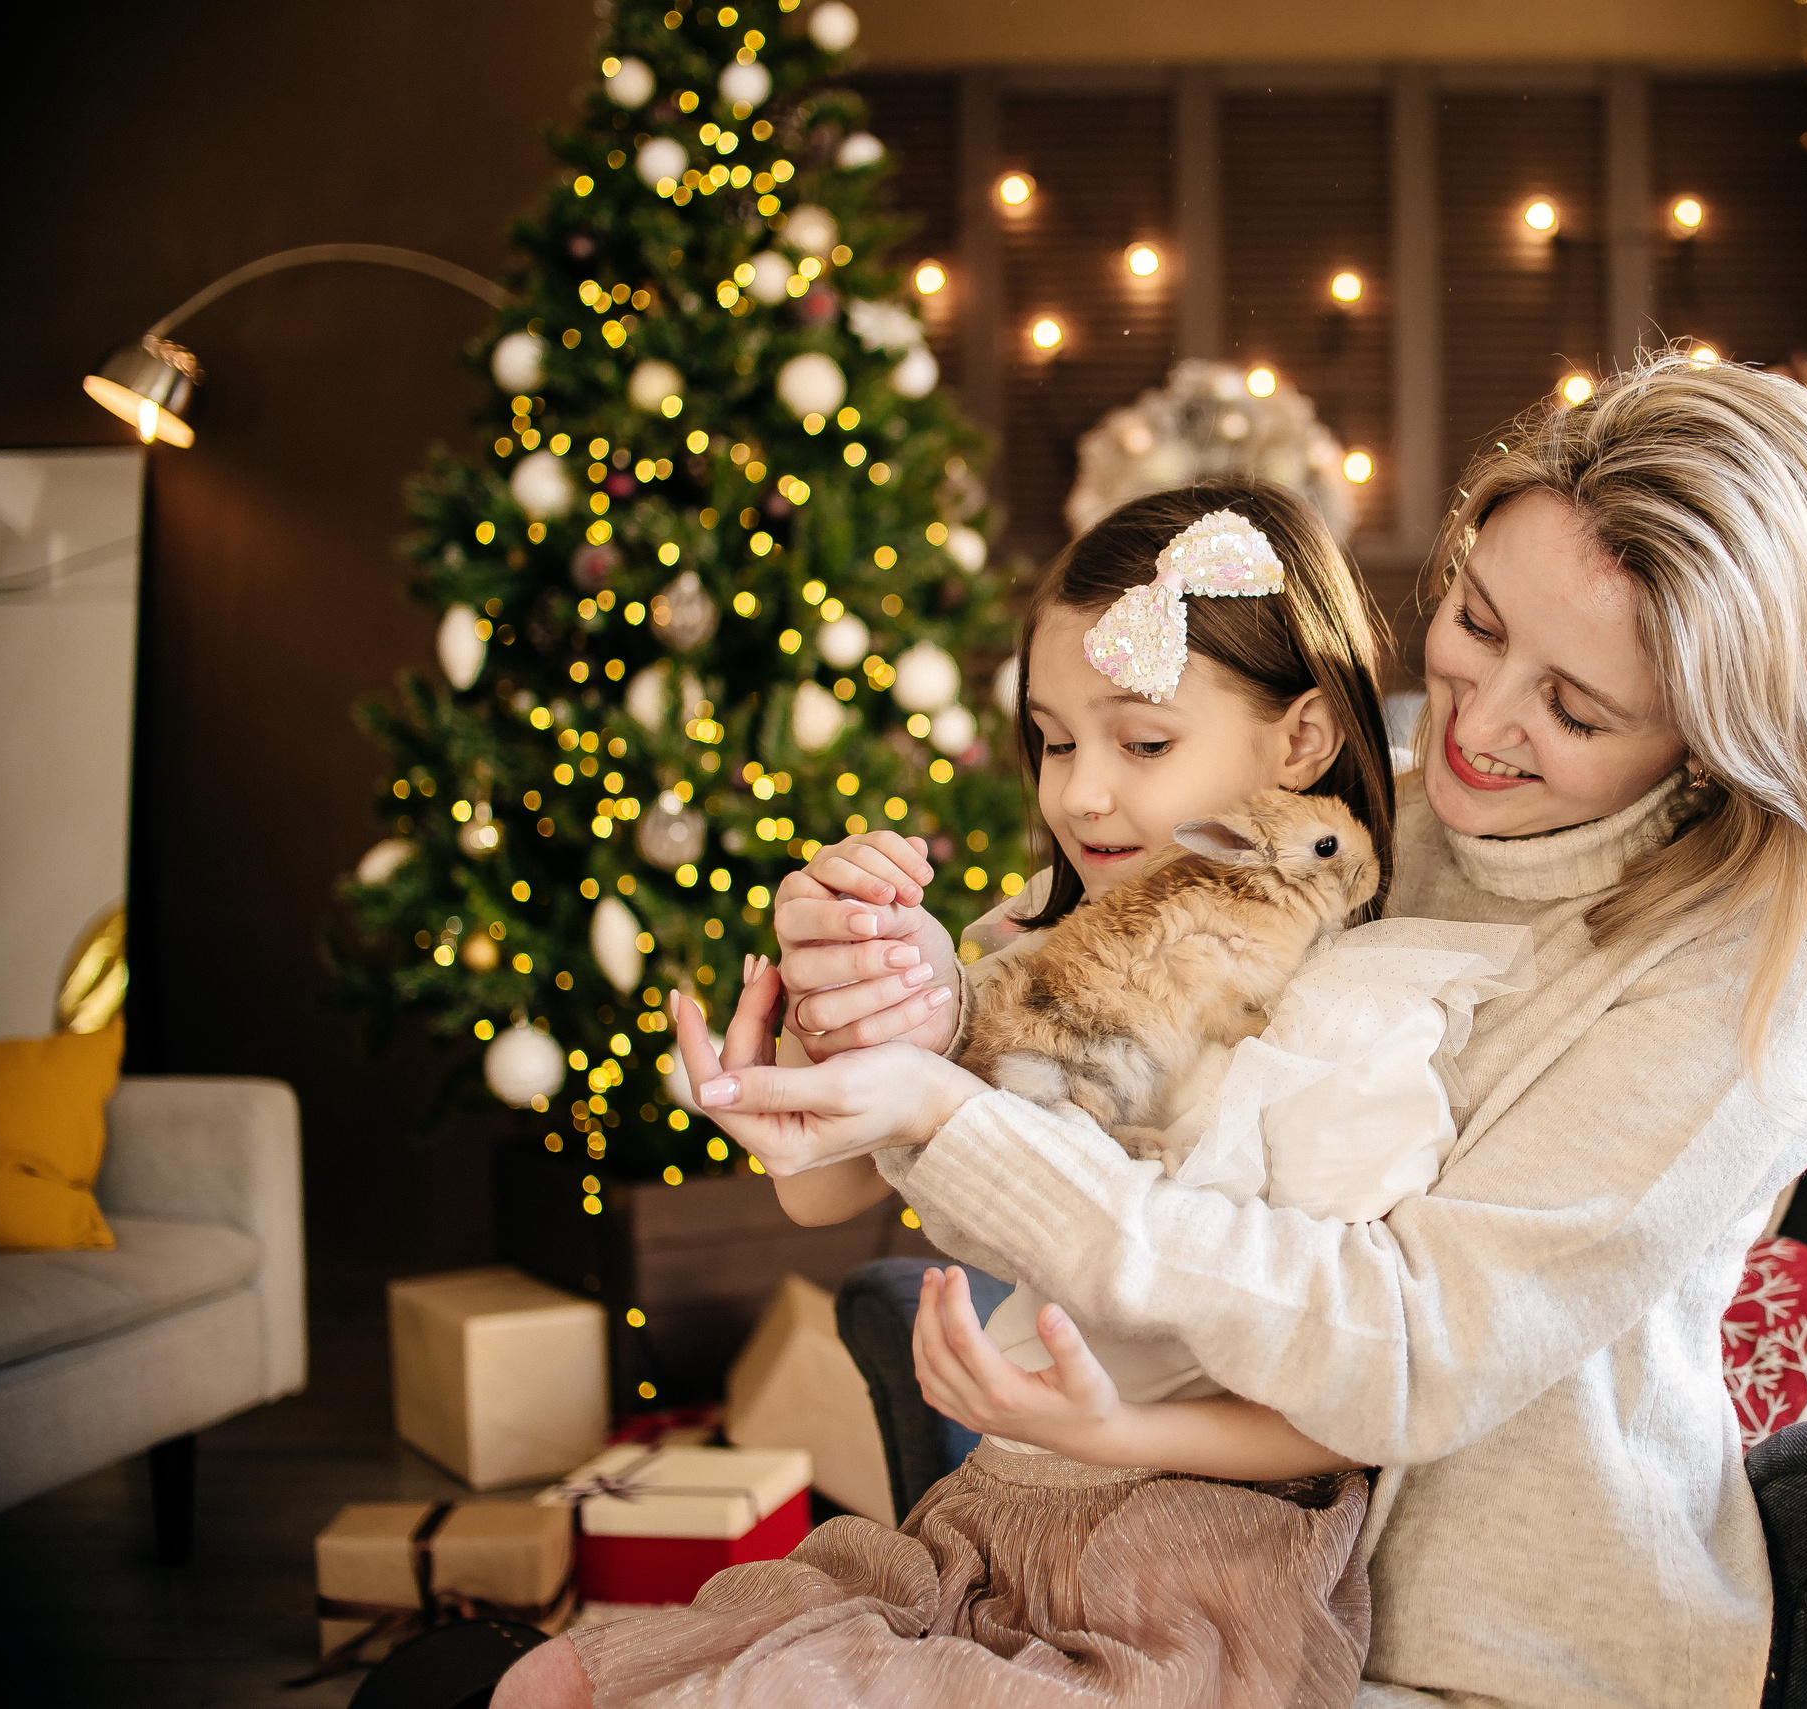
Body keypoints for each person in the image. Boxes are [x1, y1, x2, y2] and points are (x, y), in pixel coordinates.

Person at [515, 351, 1807, 1708]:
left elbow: (1406, 1345)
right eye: (1476, 623)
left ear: (1719, 738)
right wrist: (877, 999)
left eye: (1577, 707)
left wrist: (942, 1113)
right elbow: (1057, 1041)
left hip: (1494, 1649)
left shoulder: (1756, 973)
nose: (1477, 722)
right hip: (1124, 1559)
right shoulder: (1354, 817)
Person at [504, 477, 1510, 1708]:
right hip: (990, 1515)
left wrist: (1110, 1434)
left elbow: (1354, 1400)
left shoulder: (1351, 1019)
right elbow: (822, 1193)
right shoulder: (1038, 943)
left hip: (1194, 1560)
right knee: (546, 1681)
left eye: (1143, 742)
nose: (1079, 792)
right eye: (1054, 739)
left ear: (1300, 740)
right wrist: (816, 1035)